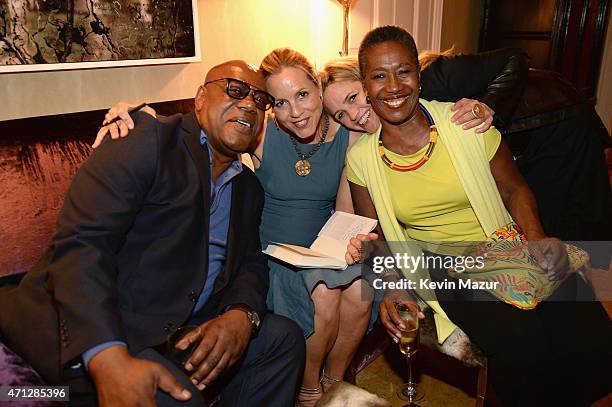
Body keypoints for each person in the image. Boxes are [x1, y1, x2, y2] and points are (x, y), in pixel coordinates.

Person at [96, 49, 492, 407]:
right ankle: (308, 389)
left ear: (318, 89)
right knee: (321, 290)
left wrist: (472, 110)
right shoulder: (264, 131)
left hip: (324, 246)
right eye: (280, 102)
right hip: (272, 252)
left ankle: (335, 383)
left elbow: (354, 193)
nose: (295, 112)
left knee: (358, 285)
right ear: (270, 108)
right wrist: (140, 111)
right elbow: (206, 124)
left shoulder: (349, 133)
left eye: (302, 95)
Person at [0, 60, 305, 407]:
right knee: (179, 399)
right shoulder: (148, 138)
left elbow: (250, 260)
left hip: (181, 324)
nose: (250, 104)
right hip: (109, 321)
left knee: (284, 338)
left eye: (260, 100)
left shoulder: (250, 186)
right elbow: (82, 244)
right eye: (235, 90)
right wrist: (107, 356)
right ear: (201, 98)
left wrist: (241, 315)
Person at [346, 25, 612, 406]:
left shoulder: (465, 123)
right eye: (379, 76)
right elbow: (377, 238)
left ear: (419, 76)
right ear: (366, 85)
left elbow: (514, 188)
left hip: (505, 246)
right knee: (523, 345)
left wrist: (535, 237)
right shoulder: (361, 161)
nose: (393, 87)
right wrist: (393, 285)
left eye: (403, 71)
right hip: (442, 267)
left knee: (589, 337)